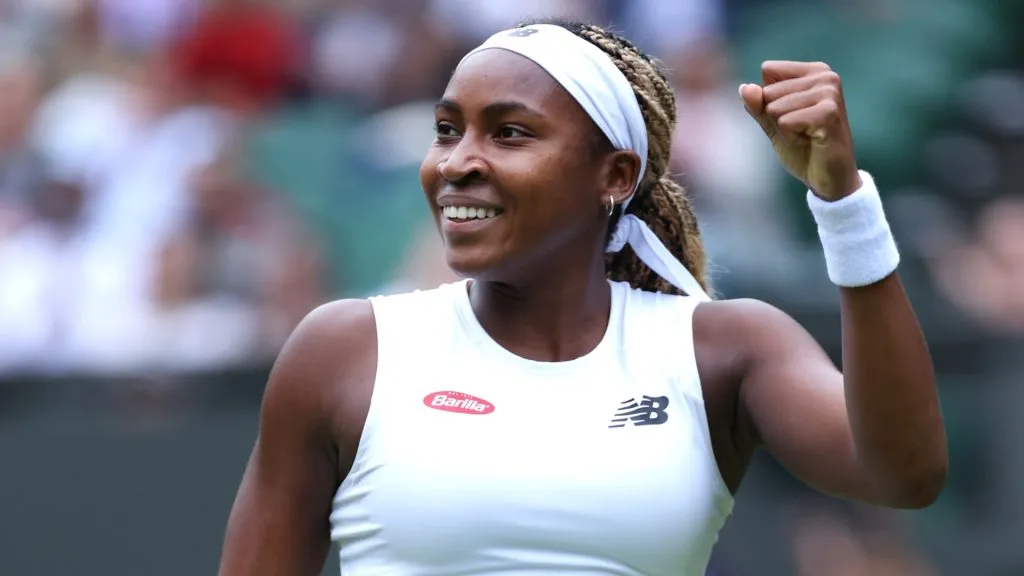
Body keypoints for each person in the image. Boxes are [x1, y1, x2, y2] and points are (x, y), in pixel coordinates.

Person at [218, 18, 948, 576]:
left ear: (614, 175)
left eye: (509, 133)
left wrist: (844, 202)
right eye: (447, 131)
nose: (457, 162)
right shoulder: (343, 350)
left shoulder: (723, 348)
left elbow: (903, 474)